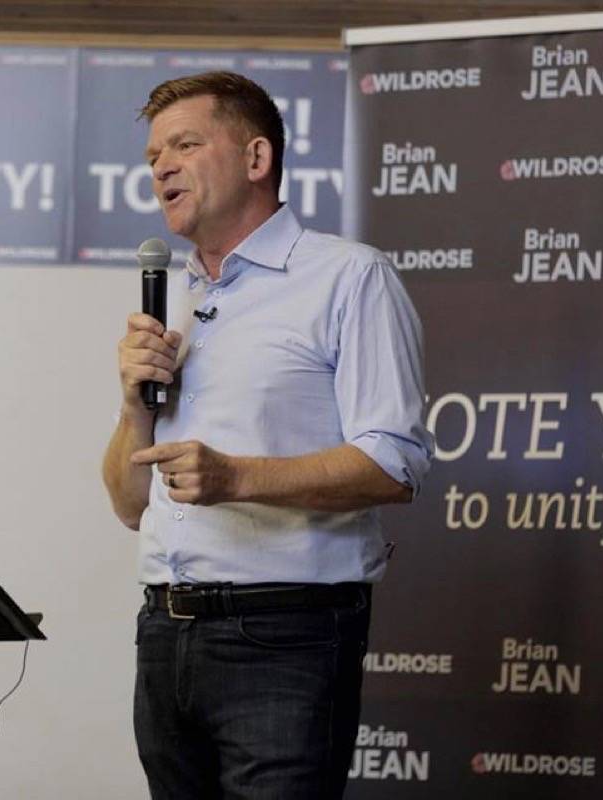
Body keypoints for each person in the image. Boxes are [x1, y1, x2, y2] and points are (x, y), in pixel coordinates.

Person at [101, 71, 433, 800]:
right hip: (164, 633)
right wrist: (134, 410)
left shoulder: (348, 277)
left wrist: (237, 478)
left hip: (286, 638)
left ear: (256, 159)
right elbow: (132, 505)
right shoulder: (176, 302)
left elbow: (395, 464)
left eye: (186, 144)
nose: (161, 167)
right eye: (154, 154)